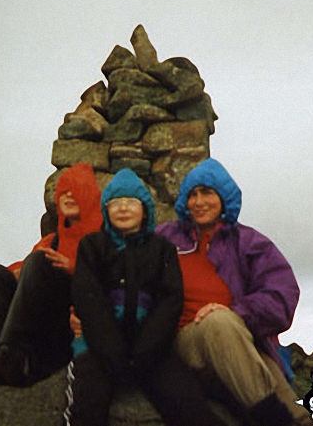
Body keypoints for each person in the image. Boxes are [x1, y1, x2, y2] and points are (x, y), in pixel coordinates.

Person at [64, 168, 227, 426]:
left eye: (131, 202)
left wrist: (144, 353)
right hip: (97, 348)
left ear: (145, 209)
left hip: (152, 349)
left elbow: (170, 301)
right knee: (88, 404)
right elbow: (89, 300)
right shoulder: (92, 246)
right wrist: (113, 353)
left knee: (190, 405)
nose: (123, 209)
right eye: (115, 203)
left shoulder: (162, 249)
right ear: (106, 210)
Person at [155, 158, 311, 426]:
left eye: (207, 193)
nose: (199, 202)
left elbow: (281, 296)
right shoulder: (165, 238)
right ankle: (272, 419)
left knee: (260, 363)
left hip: (236, 339)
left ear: (224, 197)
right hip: (183, 342)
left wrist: (238, 312)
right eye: (192, 194)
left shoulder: (250, 243)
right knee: (220, 323)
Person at [0, 162, 102, 385]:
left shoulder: (102, 241)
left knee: (40, 261)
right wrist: (16, 273)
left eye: (77, 190)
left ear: (89, 197)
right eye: (64, 191)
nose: (69, 195)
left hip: (68, 330)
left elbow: (109, 283)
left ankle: (12, 355)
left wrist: (73, 268)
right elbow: (25, 269)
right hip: (39, 328)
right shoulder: (51, 241)